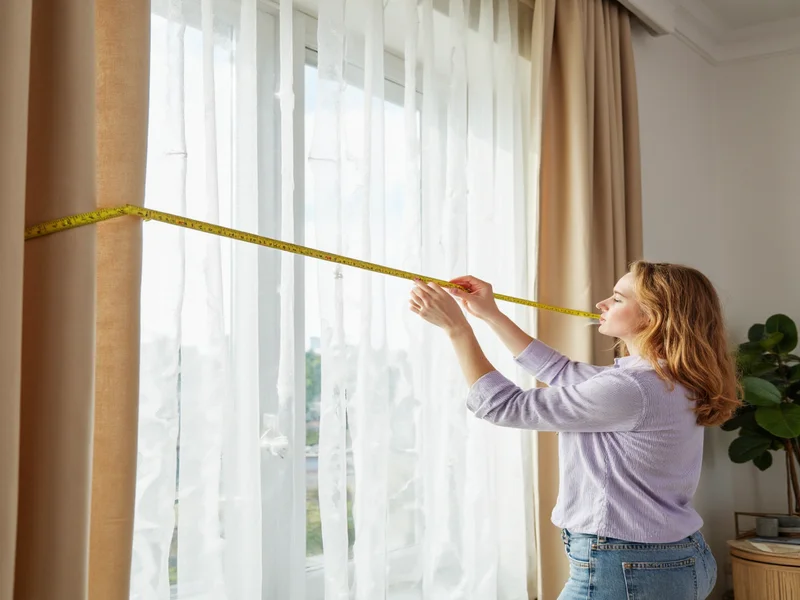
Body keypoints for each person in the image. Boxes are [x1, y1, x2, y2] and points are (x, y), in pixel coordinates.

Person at [408, 260, 740, 600]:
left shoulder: (632, 388)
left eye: (618, 298)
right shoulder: (669, 377)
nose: (602, 304)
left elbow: (504, 406)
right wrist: (490, 314)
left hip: (627, 565)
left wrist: (457, 329)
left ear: (652, 317)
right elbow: (561, 371)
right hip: (678, 559)